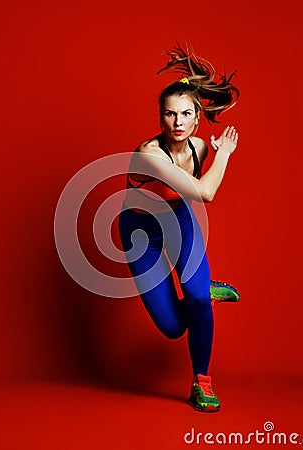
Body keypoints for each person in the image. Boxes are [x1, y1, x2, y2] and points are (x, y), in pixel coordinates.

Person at [117, 44, 239, 412]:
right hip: (142, 234)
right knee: (172, 327)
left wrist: (214, 154)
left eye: (186, 114)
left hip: (180, 223)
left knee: (199, 300)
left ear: (198, 117)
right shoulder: (150, 155)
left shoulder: (200, 147)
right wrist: (226, 155)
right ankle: (204, 291)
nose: (178, 122)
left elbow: (196, 195)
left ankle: (201, 382)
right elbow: (206, 192)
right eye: (170, 115)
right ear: (160, 118)